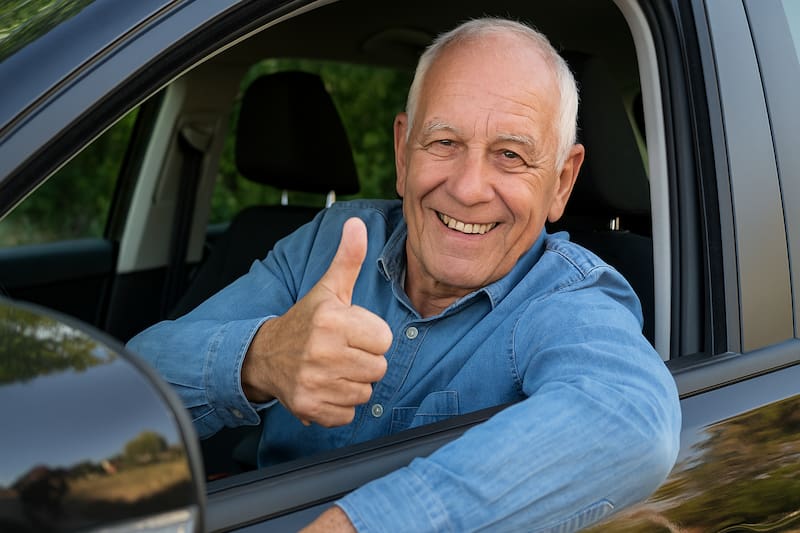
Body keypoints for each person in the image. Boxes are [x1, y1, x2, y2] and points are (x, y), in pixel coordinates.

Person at [127, 17, 681, 532]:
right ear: (402, 151)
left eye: (510, 156)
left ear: (562, 182)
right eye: (444, 143)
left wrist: (361, 525)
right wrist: (262, 358)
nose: (467, 188)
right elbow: (133, 382)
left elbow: (631, 420)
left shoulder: (565, 297)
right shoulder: (330, 244)